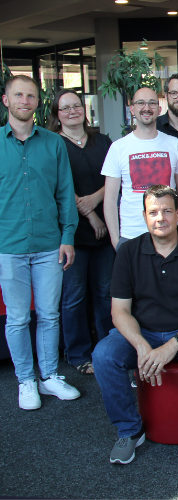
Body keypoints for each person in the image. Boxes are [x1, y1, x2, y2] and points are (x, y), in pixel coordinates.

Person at [92, 185, 178, 466]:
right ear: (144, 216)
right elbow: (119, 312)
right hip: (143, 332)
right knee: (103, 355)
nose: (161, 218)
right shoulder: (128, 251)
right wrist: (142, 347)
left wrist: (172, 345)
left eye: (167, 211)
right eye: (153, 212)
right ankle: (130, 430)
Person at [0, 75, 81, 410]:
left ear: (37, 102)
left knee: (49, 315)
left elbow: (65, 193)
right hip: (8, 247)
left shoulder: (53, 143)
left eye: (30, 96)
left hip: (50, 244)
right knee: (17, 318)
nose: (24, 101)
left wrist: (67, 237)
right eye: (18, 95)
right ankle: (26, 381)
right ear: (6, 100)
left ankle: (49, 376)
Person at [50, 89, 115, 376]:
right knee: (74, 296)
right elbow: (60, 188)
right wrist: (90, 216)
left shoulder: (102, 141)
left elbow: (115, 179)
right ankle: (77, 354)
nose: (72, 111)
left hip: (106, 232)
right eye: (65, 108)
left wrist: (96, 202)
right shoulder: (53, 144)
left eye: (76, 106)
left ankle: (106, 350)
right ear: (57, 114)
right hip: (72, 234)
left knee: (105, 294)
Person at [102, 87, 178, 249]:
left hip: (169, 235)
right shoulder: (118, 148)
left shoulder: (173, 144)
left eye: (152, 103)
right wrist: (116, 240)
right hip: (131, 236)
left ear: (159, 109)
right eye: (140, 103)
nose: (146, 108)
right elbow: (109, 198)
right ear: (132, 109)